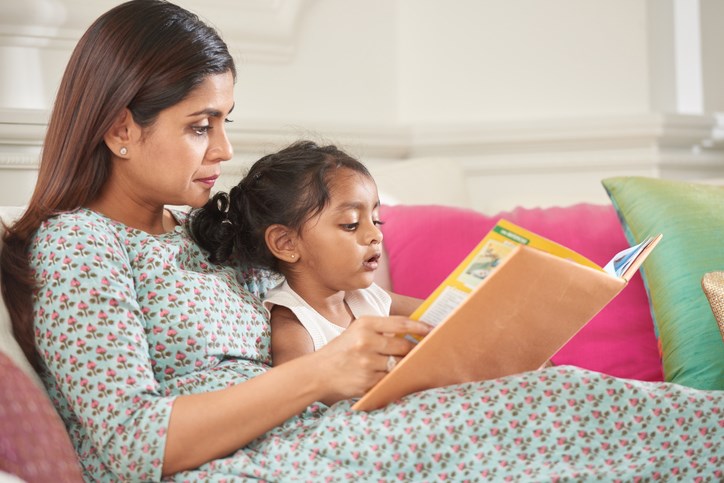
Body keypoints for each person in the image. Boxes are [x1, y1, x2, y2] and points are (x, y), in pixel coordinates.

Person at [0, 1, 721, 481]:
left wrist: (491, 312)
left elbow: (335, 297)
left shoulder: (202, 229)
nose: (224, 146)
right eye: (199, 125)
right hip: (253, 463)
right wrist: (321, 375)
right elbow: (129, 445)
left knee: (546, 391)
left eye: (226, 119)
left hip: (319, 433)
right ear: (121, 127)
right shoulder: (78, 246)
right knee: (547, 407)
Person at [190, 140, 421, 369]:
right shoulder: (293, 323)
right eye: (351, 224)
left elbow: (442, 315)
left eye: (375, 219)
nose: (376, 235)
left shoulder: (369, 296)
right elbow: (298, 388)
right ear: (286, 243)